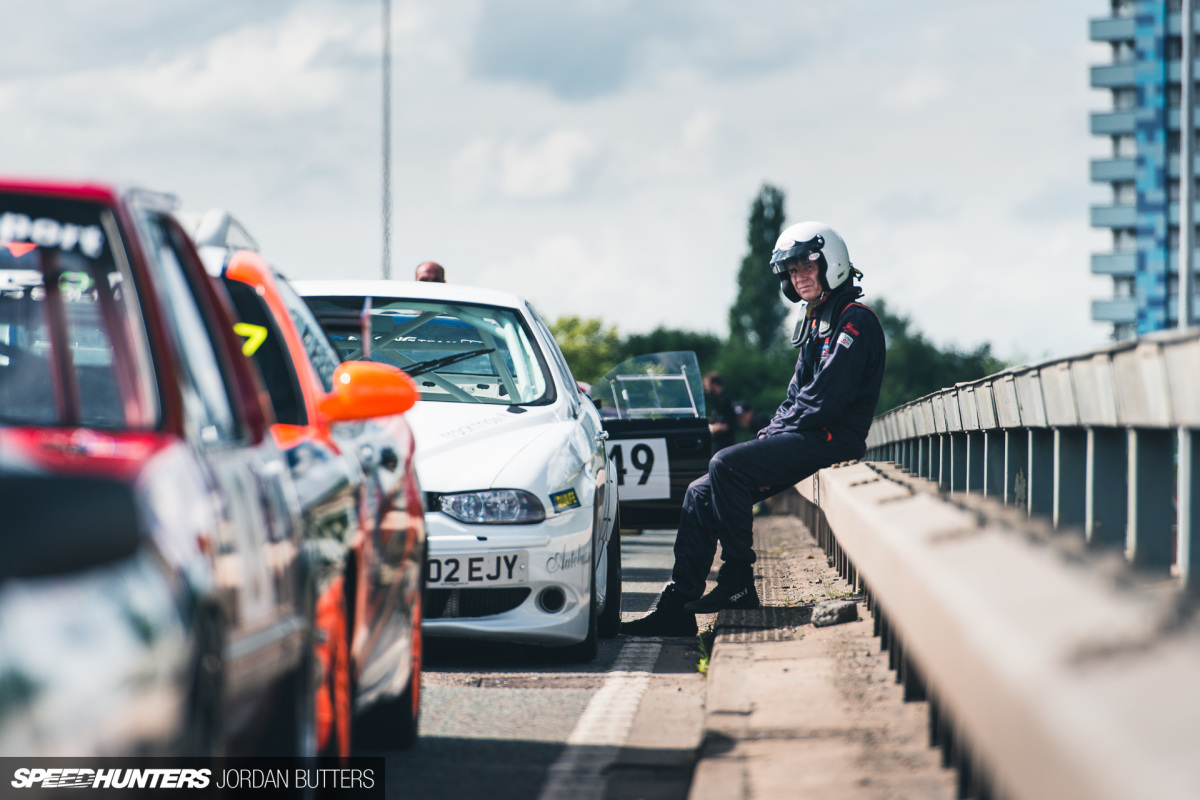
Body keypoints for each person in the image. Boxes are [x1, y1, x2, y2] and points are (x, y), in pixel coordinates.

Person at [623, 221, 886, 636]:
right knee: (699, 492)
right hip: (809, 434)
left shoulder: (856, 321)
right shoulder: (817, 318)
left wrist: (776, 432)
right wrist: (771, 432)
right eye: (792, 272)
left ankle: (738, 583)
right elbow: (795, 395)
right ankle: (678, 603)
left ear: (830, 263)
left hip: (834, 438)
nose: (799, 278)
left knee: (726, 463)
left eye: (806, 267)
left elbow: (825, 400)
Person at [703, 371, 737, 453]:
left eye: (707, 385)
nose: (706, 388)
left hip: (724, 445)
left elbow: (724, 426)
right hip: (719, 444)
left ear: (714, 384)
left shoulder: (724, 400)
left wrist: (705, 429)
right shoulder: (718, 399)